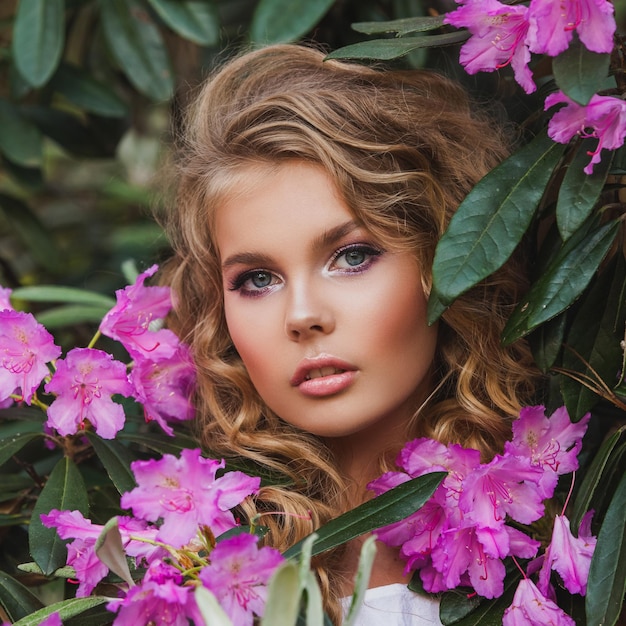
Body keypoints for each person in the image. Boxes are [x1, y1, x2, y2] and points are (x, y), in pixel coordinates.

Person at [159, 43, 540, 625]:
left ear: (443, 262)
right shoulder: (188, 562)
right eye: (257, 279)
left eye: (353, 256)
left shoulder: (566, 518)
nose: (302, 315)